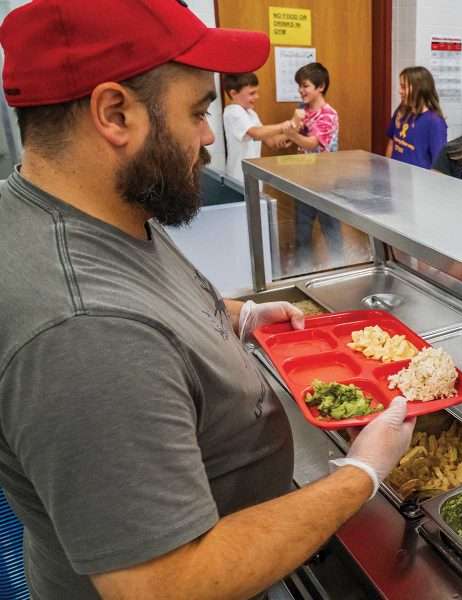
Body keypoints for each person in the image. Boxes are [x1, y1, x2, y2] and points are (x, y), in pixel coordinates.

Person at [0, 2, 415, 599]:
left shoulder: (87, 209)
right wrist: (361, 475)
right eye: (197, 112)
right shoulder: (87, 334)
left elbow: (146, 298)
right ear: (114, 113)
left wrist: (240, 316)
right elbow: (163, 585)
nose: (206, 136)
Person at [281, 62, 344, 265]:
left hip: (325, 182)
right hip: (304, 179)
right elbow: (295, 134)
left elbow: (313, 143)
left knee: (331, 231)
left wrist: (291, 134)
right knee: (302, 231)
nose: (301, 90)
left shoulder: (329, 114)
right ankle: (303, 272)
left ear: (321, 86)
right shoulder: (302, 110)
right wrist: (289, 134)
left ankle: (339, 270)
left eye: (305, 85)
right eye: (299, 85)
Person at [221, 72, 294, 184]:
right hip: (239, 178)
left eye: (256, 92)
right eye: (252, 93)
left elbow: (271, 142)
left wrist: (292, 131)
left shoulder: (251, 113)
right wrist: (284, 126)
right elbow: (256, 133)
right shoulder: (233, 111)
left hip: (253, 178)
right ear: (233, 93)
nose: (257, 97)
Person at [385, 66, 447, 168]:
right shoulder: (401, 111)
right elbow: (392, 143)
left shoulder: (435, 122)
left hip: (418, 181)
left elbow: (438, 163)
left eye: (404, 87)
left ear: (419, 89)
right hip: (395, 176)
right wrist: (387, 170)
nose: (400, 91)